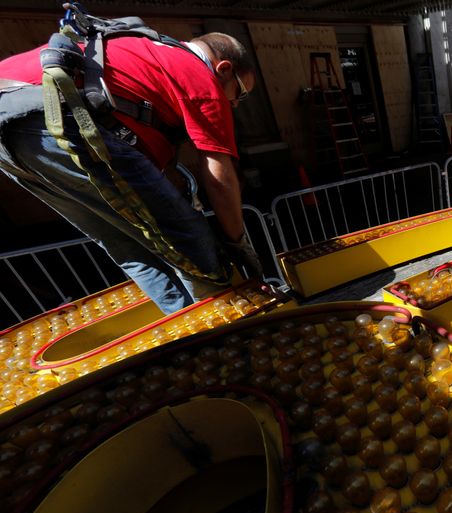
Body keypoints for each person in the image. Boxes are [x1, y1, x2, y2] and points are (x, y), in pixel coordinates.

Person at [0, 29, 263, 315]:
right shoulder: (198, 74)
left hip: (10, 127)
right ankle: (231, 328)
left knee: (126, 241)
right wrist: (239, 245)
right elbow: (218, 171)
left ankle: (192, 331)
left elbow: (153, 181)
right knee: (188, 237)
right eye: (240, 93)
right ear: (224, 69)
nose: (235, 104)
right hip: (52, 112)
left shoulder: (145, 53)